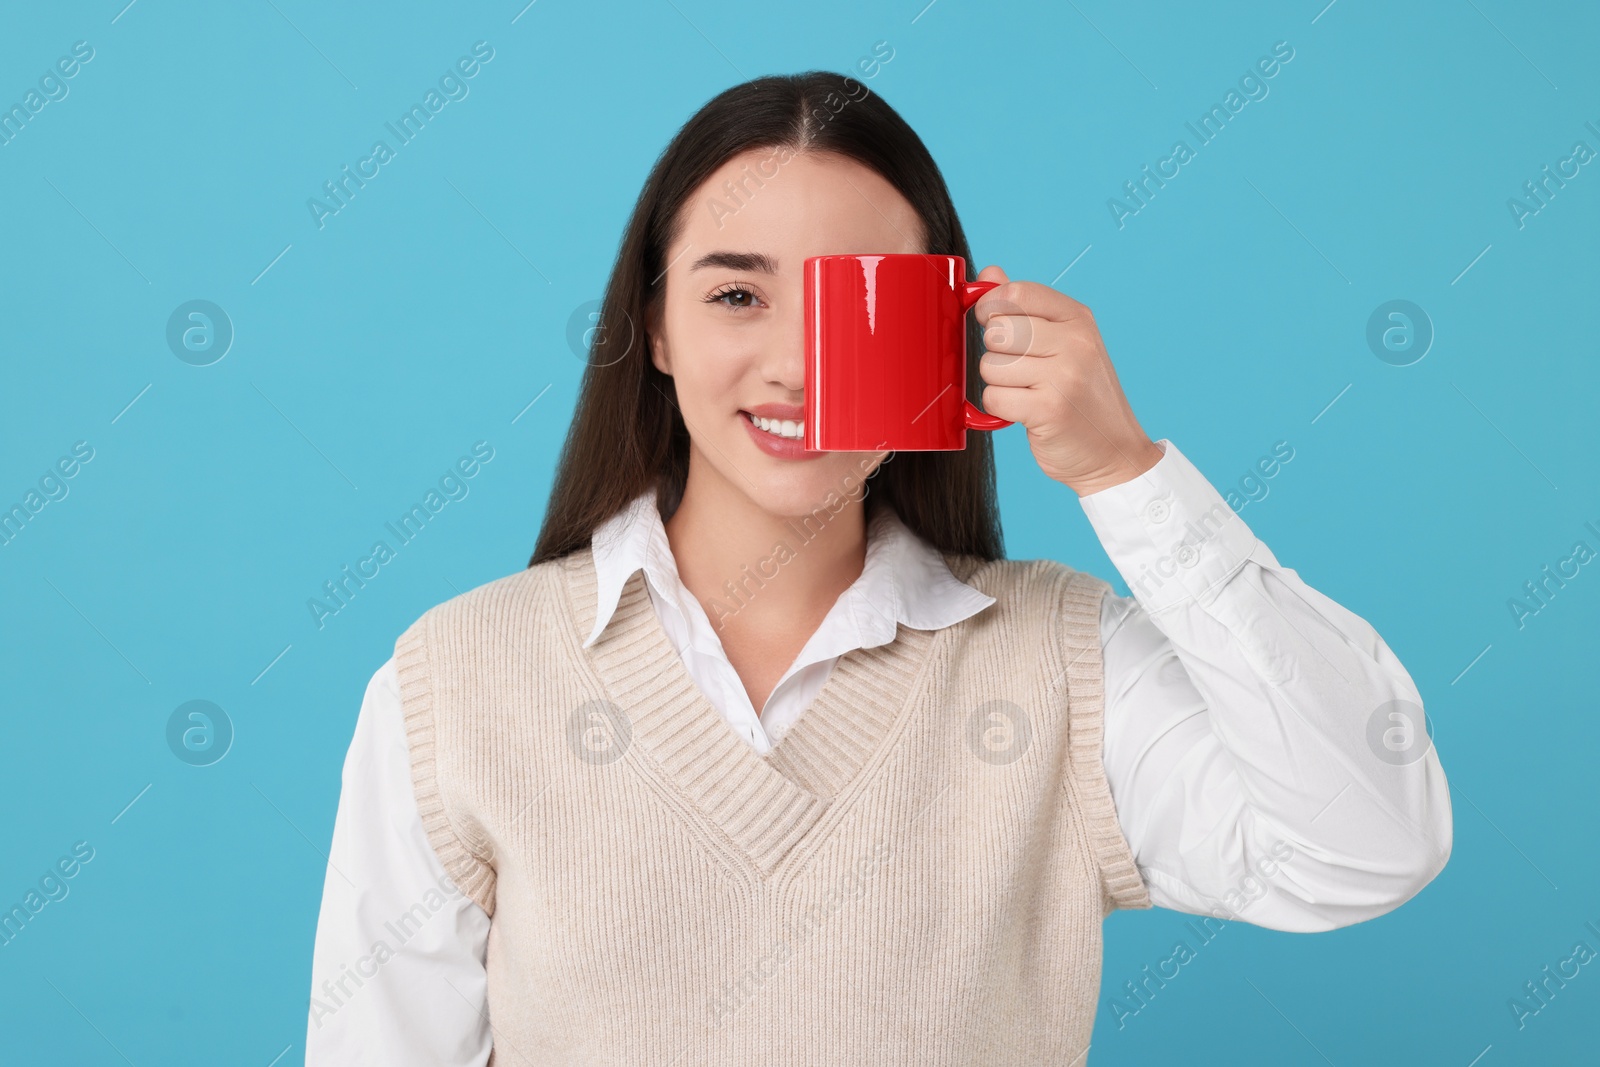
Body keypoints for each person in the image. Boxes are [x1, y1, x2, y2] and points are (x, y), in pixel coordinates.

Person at [306, 70, 1451, 1064]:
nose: (797, 364)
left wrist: (1127, 473)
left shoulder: (1064, 664)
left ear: (947, 330)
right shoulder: (453, 682)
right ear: (655, 328)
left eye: (857, 302)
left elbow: (1365, 845)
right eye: (736, 294)